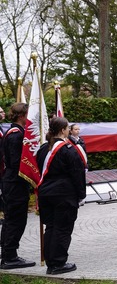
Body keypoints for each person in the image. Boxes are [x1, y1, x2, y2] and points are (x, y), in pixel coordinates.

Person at [35, 116, 86, 274]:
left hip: (45, 194)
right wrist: (81, 194)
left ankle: (51, 260)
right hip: (63, 194)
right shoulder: (67, 149)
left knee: (50, 227)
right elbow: (77, 173)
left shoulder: (43, 148)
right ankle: (58, 263)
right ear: (64, 130)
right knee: (62, 229)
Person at [0, 103, 36, 269]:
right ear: (22, 116)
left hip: (14, 182)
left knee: (12, 219)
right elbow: (16, 163)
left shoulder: (17, 132)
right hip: (15, 183)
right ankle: (9, 256)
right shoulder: (16, 135)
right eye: (28, 115)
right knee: (16, 220)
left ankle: (7, 253)